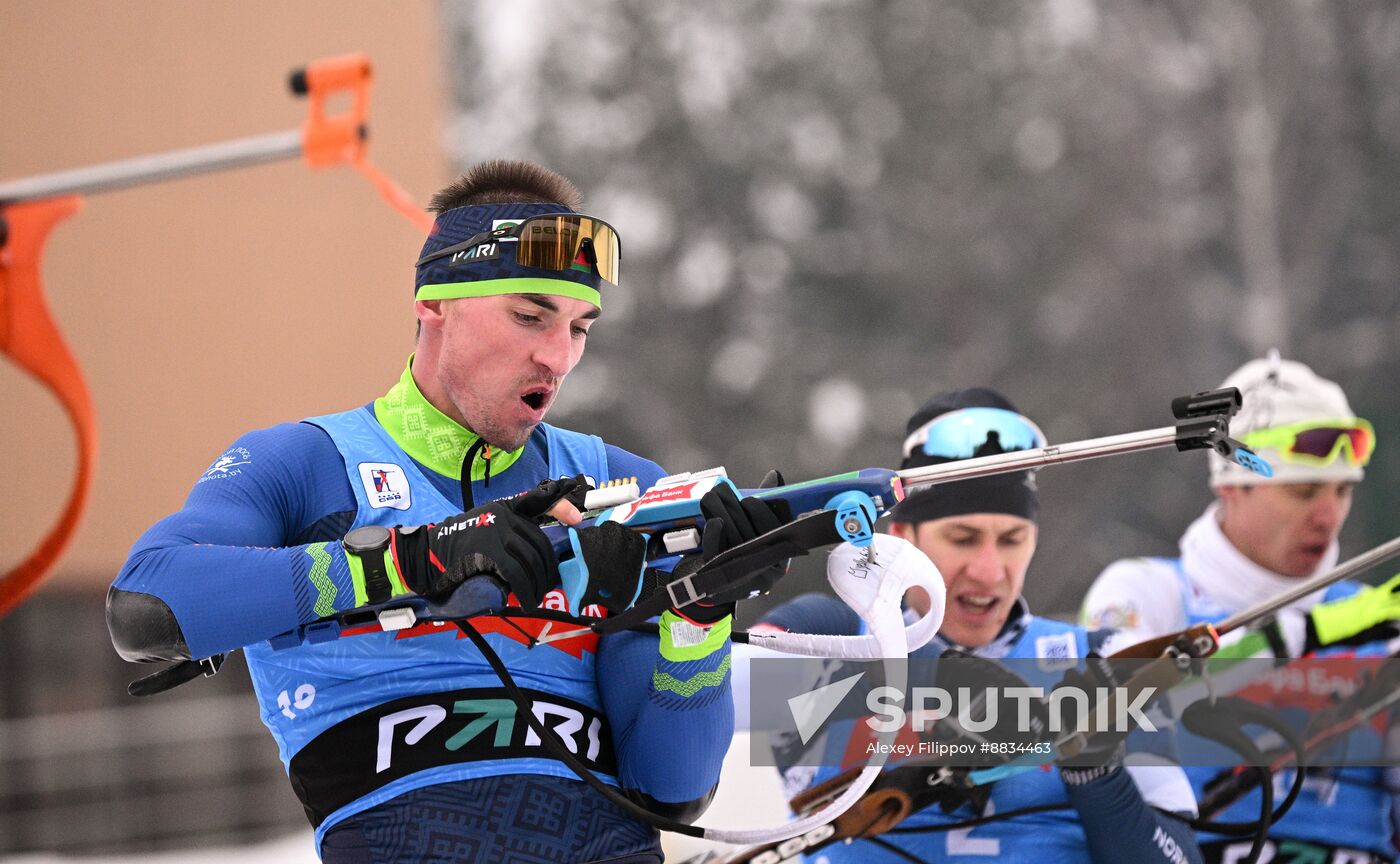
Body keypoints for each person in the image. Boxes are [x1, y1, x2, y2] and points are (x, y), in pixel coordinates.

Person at [106, 160, 779, 864]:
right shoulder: (307, 464)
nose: (558, 356)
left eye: (581, 328)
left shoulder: (617, 483)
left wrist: (698, 618)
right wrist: (416, 558)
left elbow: (672, 794)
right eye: (529, 315)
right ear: (434, 303)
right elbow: (147, 607)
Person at [754, 387, 1202, 863]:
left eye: (1011, 539)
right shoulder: (830, 634)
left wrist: (1096, 772)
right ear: (902, 537)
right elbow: (732, 683)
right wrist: (941, 677)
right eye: (963, 539)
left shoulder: (1106, 657)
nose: (989, 571)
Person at [1081, 353, 1397, 863]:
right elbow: (1108, 717)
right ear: (1232, 485)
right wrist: (1300, 636)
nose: (1328, 515)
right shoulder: (1146, 591)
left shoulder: (1376, 616)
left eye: (1343, 491)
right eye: (1303, 490)